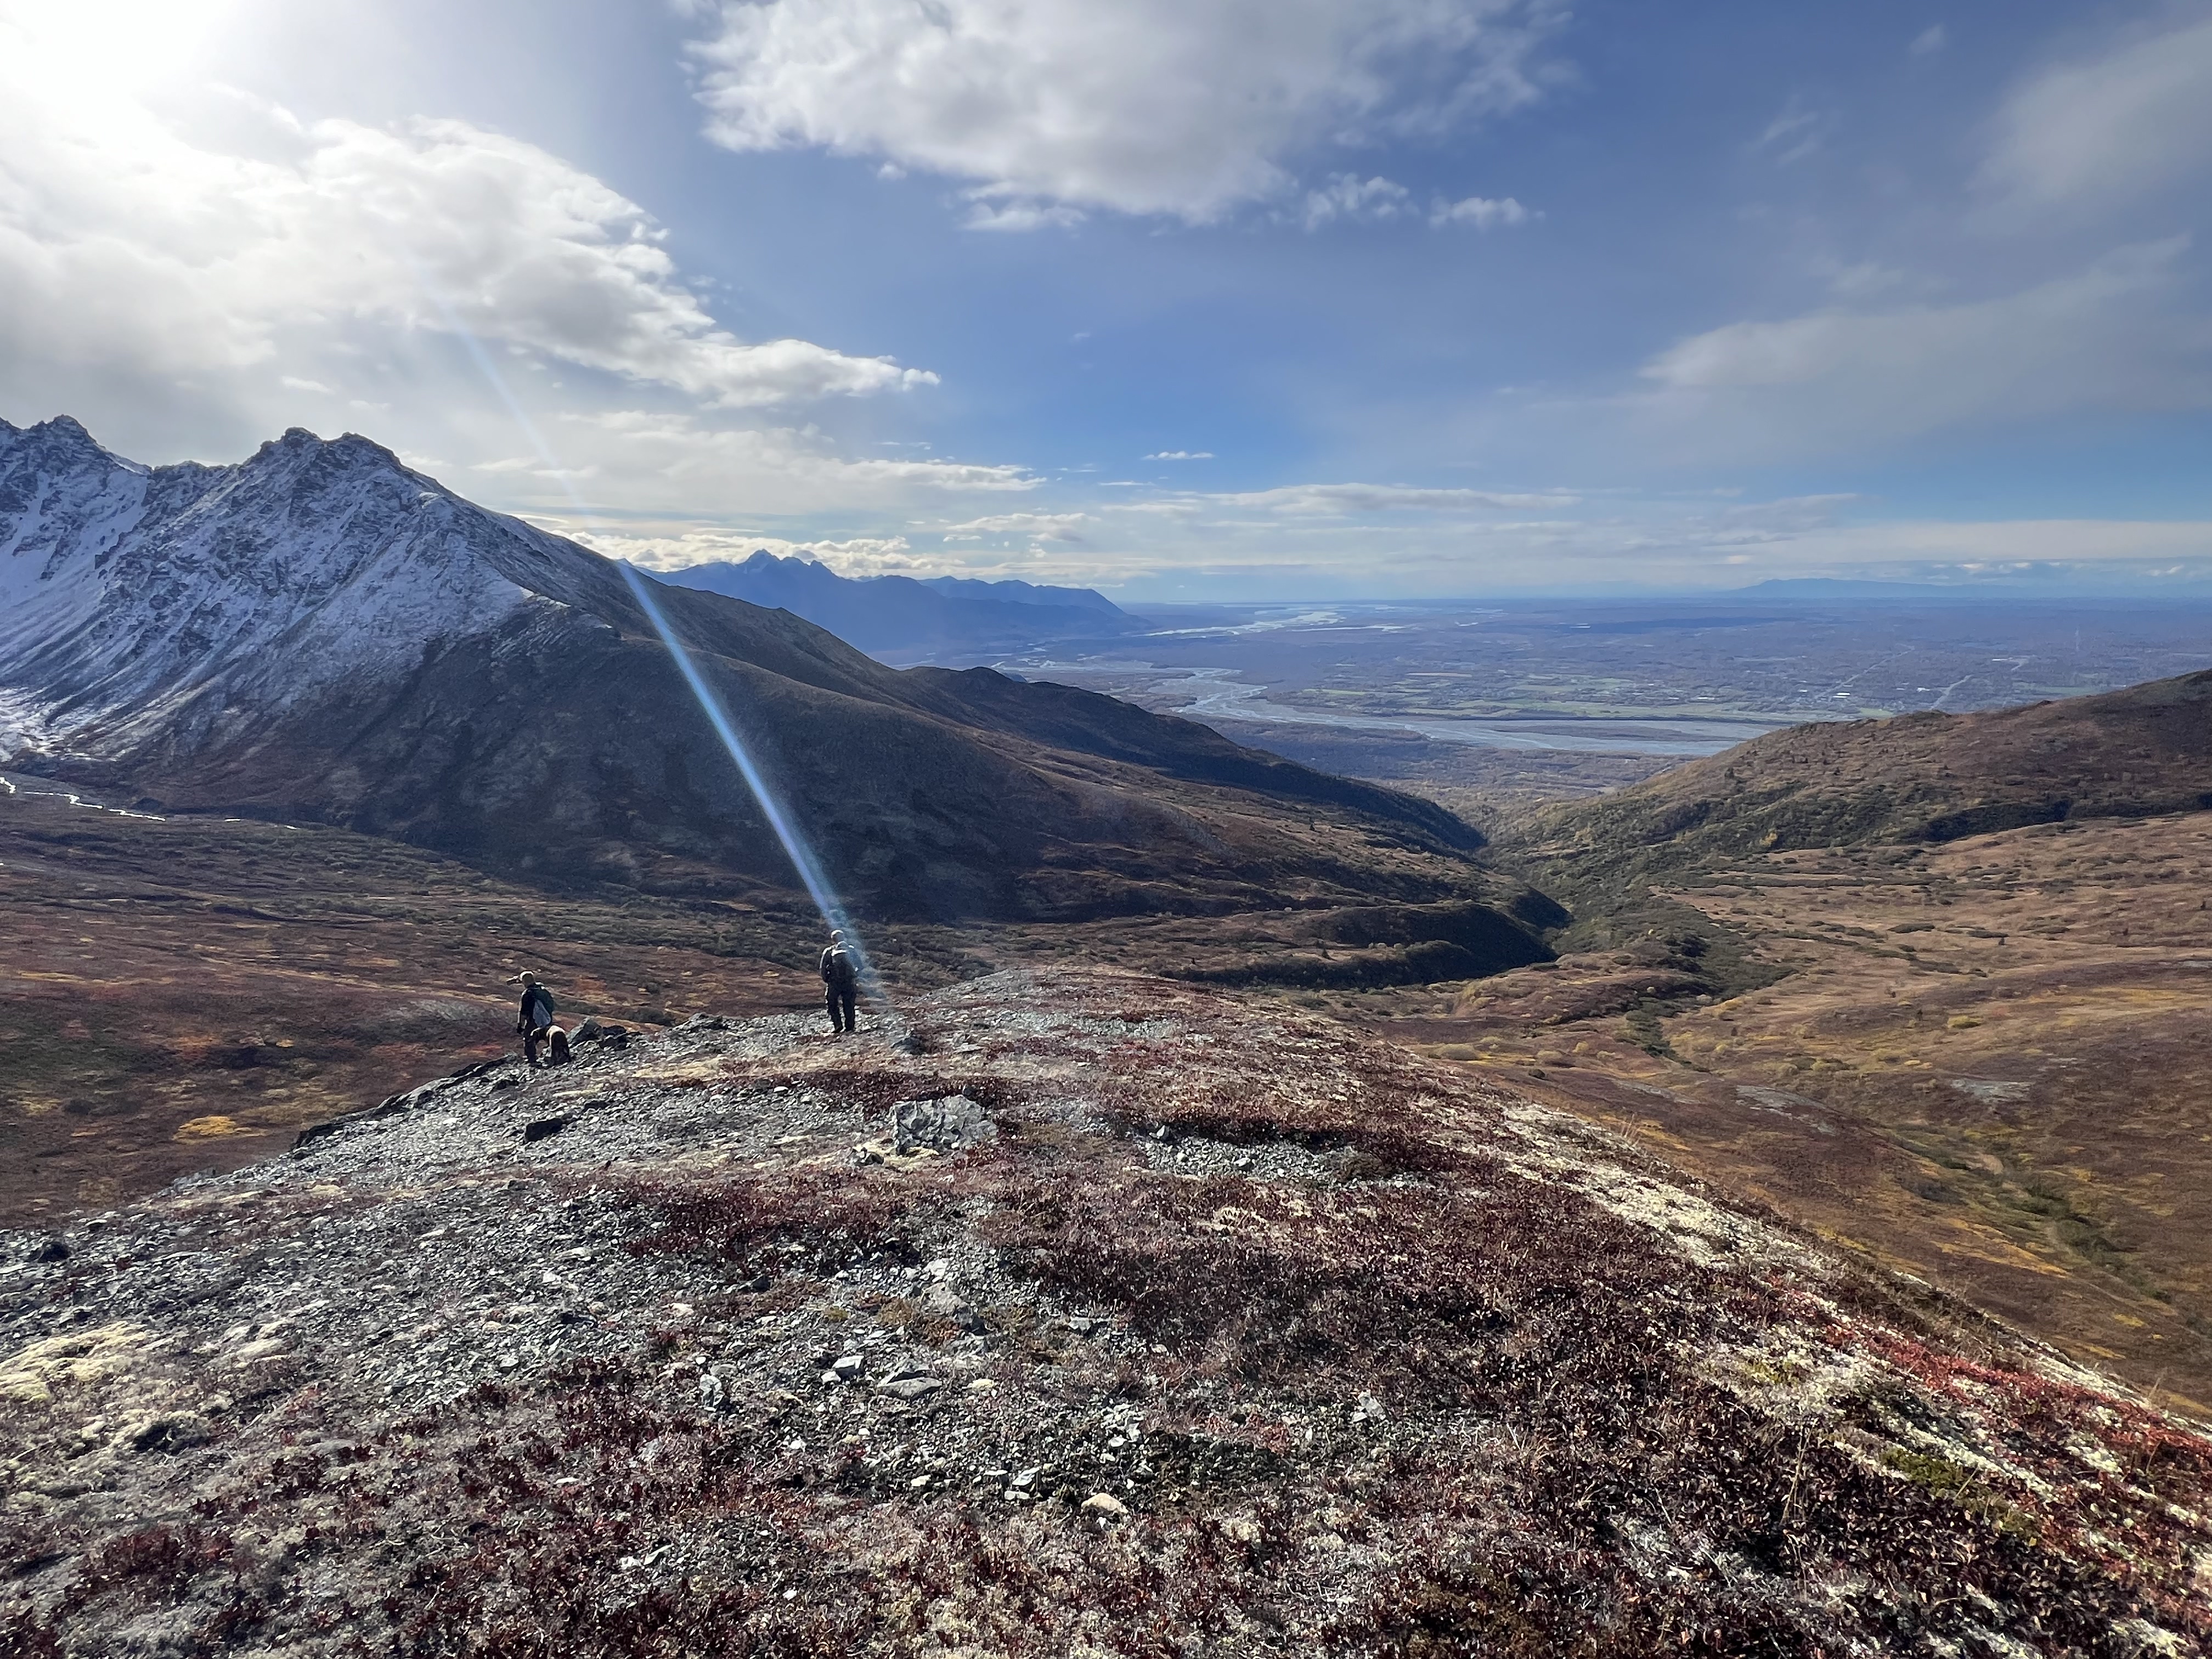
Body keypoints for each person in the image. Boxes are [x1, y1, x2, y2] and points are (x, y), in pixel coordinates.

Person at [514, 972, 563, 1065]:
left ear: (524, 982)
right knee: (549, 1038)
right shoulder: (542, 990)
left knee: (529, 1039)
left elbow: (523, 1012)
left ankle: (532, 1060)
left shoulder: (527, 994)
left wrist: (520, 1025)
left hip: (533, 1021)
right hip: (547, 1019)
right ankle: (556, 1057)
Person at [820, 930, 860, 1035]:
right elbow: (860, 965)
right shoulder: (851, 950)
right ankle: (850, 1027)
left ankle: (837, 1025)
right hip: (850, 982)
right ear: (844, 937)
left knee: (832, 1003)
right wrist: (855, 975)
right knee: (849, 1004)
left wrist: (827, 979)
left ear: (833, 939)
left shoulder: (828, 951)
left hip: (834, 982)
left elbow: (823, 968)